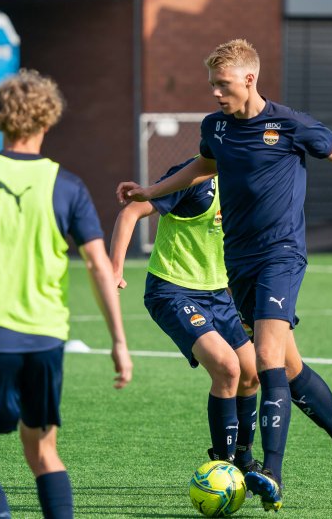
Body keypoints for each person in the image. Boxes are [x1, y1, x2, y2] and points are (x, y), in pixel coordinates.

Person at [118, 39, 332, 510]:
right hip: (237, 264)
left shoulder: (291, 125)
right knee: (288, 366)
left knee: (264, 359)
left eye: (222, 85)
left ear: (249, 79)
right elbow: (203, 166)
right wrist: (150, 190)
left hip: (280, 256)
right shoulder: (215, 128)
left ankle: (271, 474)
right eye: (212, 86)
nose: (215, 94)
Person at [0, 69, 133, 519]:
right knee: (44, 453)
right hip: (46, 337)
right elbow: (100, 266)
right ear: (49, 120)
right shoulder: (68, 186)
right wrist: (119, 341)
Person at [110, 156, 261, 473]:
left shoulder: (245, 183)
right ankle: (223, 465)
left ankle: (246, 462)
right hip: (172, 290)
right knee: (226, 367)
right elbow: (131, 212)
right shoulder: (194, 178)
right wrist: (114, 270)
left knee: (251, 372)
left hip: (219, 294)